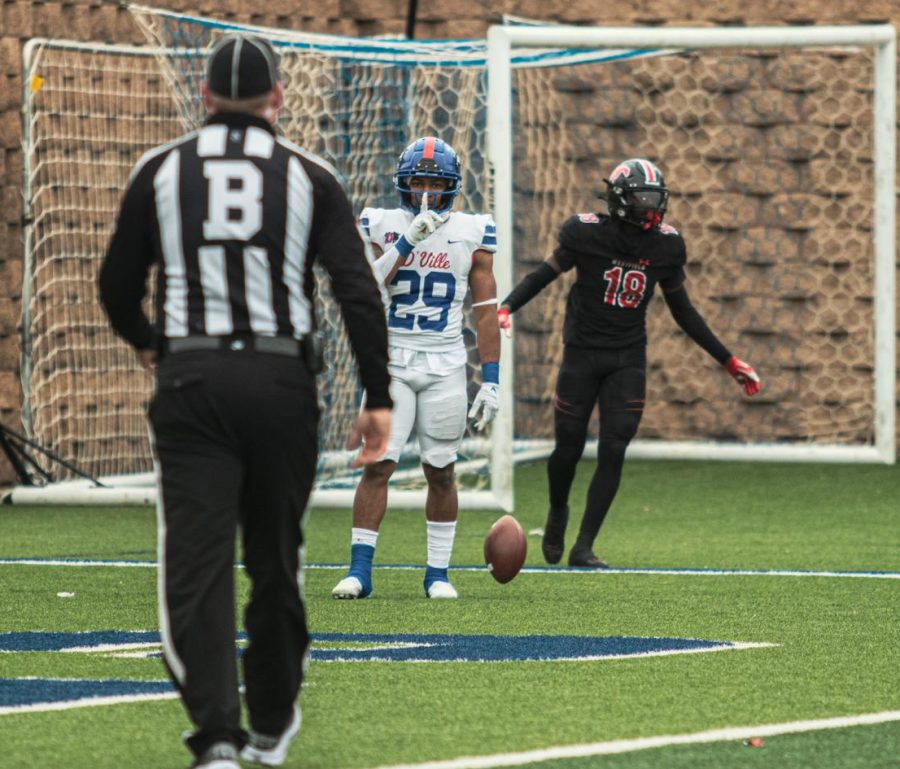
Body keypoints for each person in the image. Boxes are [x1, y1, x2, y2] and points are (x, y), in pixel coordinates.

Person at [98, 34, 392, 769]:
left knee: (194, 564)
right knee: (275, 556)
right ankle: (272, 718)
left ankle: (218, 739)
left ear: (203, 97)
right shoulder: (308, 175)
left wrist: (147, 338)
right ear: (277, 98)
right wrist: (378, 394)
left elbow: (114, 283)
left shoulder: (160, 171)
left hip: (193, 382)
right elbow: (356, 289)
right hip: (279, 383)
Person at [497, 158, 761, 569]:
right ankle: (557, 511)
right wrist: (508, 306)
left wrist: (728, 361)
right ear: (620, 199)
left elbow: (683, 311)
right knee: (567, 447)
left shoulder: (666, 246)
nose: (651, 208)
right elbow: (545, 274)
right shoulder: (585, 234)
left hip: (627, 359)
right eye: (642, 198)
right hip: (581, 354)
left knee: (614, 448)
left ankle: (584, 546)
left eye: (656, 199)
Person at [331, 136, 501, 600]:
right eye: (418, 182)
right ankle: (360, 571)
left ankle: (438, 573)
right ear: (403, 185)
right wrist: (406, 242)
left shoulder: (473, 230)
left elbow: (486, 310)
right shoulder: (380, 224)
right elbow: (363, 287)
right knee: (378, 464)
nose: (426, 191)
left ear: (452, 187)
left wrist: (491, 381)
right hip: (393, 362)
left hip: (446, 363)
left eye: (435, 183)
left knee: (442, 470)